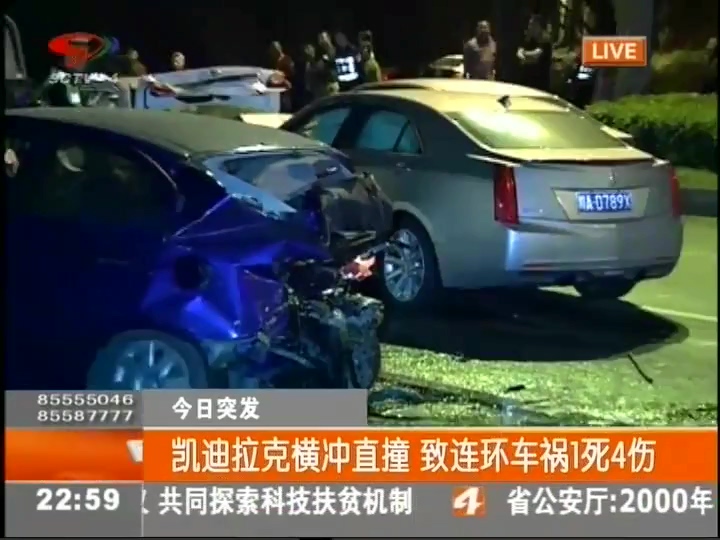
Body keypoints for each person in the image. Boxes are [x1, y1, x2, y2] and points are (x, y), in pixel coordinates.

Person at [516, 15, 552, 91]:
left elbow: (536, 55)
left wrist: (525, 55)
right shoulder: (529, 38)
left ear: (538, 26)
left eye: (532, 24)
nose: (529, 27)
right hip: (527, 79)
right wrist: (523, 55)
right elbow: (519, 52)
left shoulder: (545, 39)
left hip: (540, 81)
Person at [268, 41, 294, 111]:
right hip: (276, 91)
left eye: (275, 49)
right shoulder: (273, 62)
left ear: (280, 48)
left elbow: (292, 73)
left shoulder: (287, 59)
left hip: (285, 90)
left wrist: (281, 76)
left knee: (285, 109)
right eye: (272, 49)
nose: (273, 51)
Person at [315, 32, 339, 97]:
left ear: (328, 38)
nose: (321, 41)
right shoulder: (319, 55)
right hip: (329, 84)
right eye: (320, 39)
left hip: (340, 81)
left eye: (323, 38)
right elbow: (319, 68)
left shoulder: (337, 49)